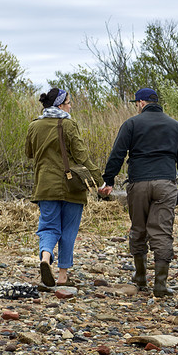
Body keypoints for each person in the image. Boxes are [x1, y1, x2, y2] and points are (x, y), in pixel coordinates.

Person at [99, 88, 178, 297]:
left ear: (141, 103)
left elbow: (118, 153)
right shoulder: (176, 126)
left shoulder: (131, 124)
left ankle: (140, 277)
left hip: (138, 183)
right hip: (165, 184)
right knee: (161, 231)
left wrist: (109, 179)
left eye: (136, 103)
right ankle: (160, 284)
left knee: (138, 228)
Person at [25, 88, 104, 287]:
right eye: (69, 103)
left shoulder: (34, 125)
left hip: (45, 185)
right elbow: (81, 156)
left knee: (48, 227)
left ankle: (45, 258)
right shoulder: (68, 124)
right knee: (68, 230)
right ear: (60, 105)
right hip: (71, 186)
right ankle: (62, 277)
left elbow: (29, 153)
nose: (70, 106)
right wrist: (99, 181)